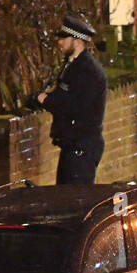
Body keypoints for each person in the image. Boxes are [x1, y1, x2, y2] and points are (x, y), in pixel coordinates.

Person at [32, 14, 106, 184]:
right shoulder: (72, 65)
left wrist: (46, 100)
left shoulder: (88, 71)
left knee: (76, 199)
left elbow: (74, 106)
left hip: (82, 146)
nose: (59, 42)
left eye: (65, 38)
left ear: (77, 41)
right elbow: (64, 94)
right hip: (72, 145)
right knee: (64, 196)